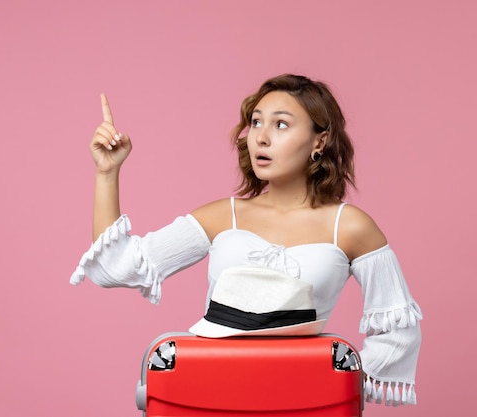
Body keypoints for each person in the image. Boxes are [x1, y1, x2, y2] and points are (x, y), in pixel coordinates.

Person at [70, 74, 422, 406]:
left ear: (320, 140)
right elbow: (113, 268)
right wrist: (107, 172)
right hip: (211, 395)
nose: (261, 137)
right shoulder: (223, 216)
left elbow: (400, 330)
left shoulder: (350, 226)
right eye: (256, 122)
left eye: (280, 124)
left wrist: (336, 388)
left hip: (301, 401)